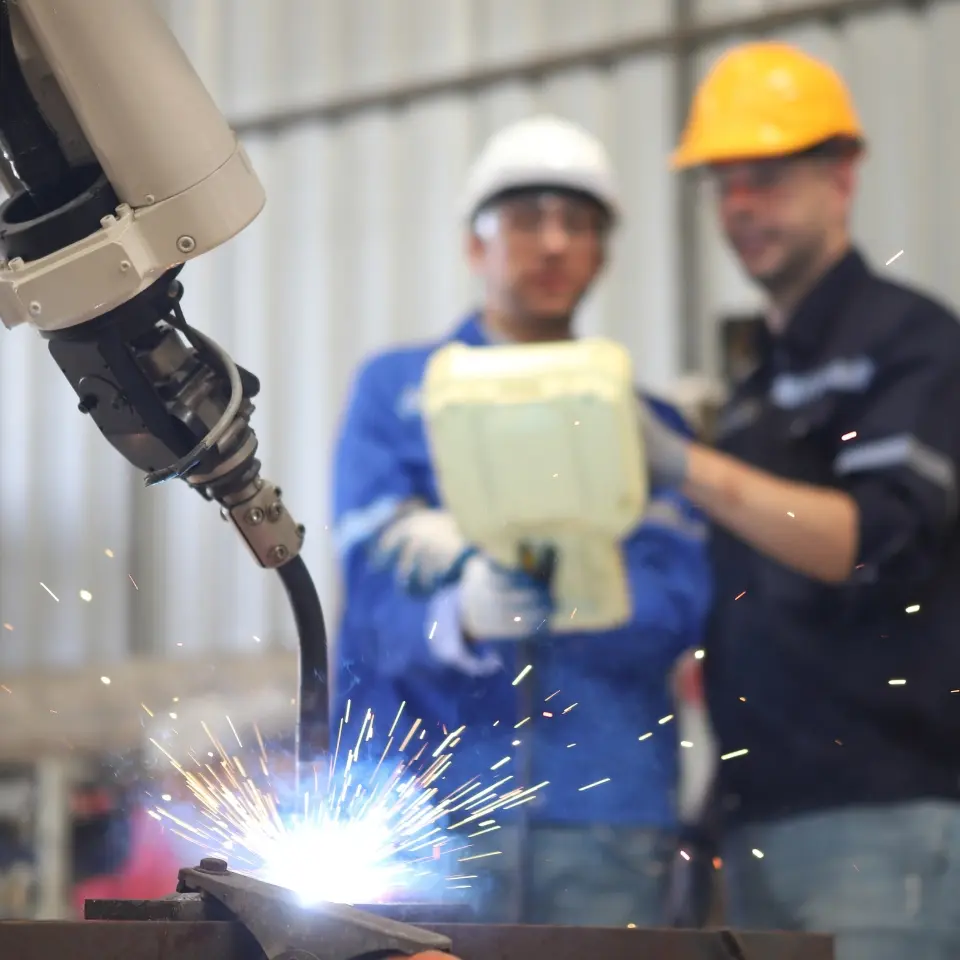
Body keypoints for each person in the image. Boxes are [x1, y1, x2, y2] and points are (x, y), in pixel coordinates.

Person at [332, 115, 712, 925]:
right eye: (527, 218)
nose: (554, 243)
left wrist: (573, 590)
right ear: (476, 243)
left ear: (603, 255)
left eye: (577, 223)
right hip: (422, 803)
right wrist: (455, 615)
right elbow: (369, 591)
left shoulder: (651, 430)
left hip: (604, 808)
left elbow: (679, 599)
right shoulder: (397, 394)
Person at [644, 41, 960, 959]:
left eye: (768, 177)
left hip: (887, 819)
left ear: (842, 176)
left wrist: (684, 465)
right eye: (724, 184)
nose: (742, 206)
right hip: (757, 820)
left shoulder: (913, 344)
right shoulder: (753, 394)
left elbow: (873, 538)